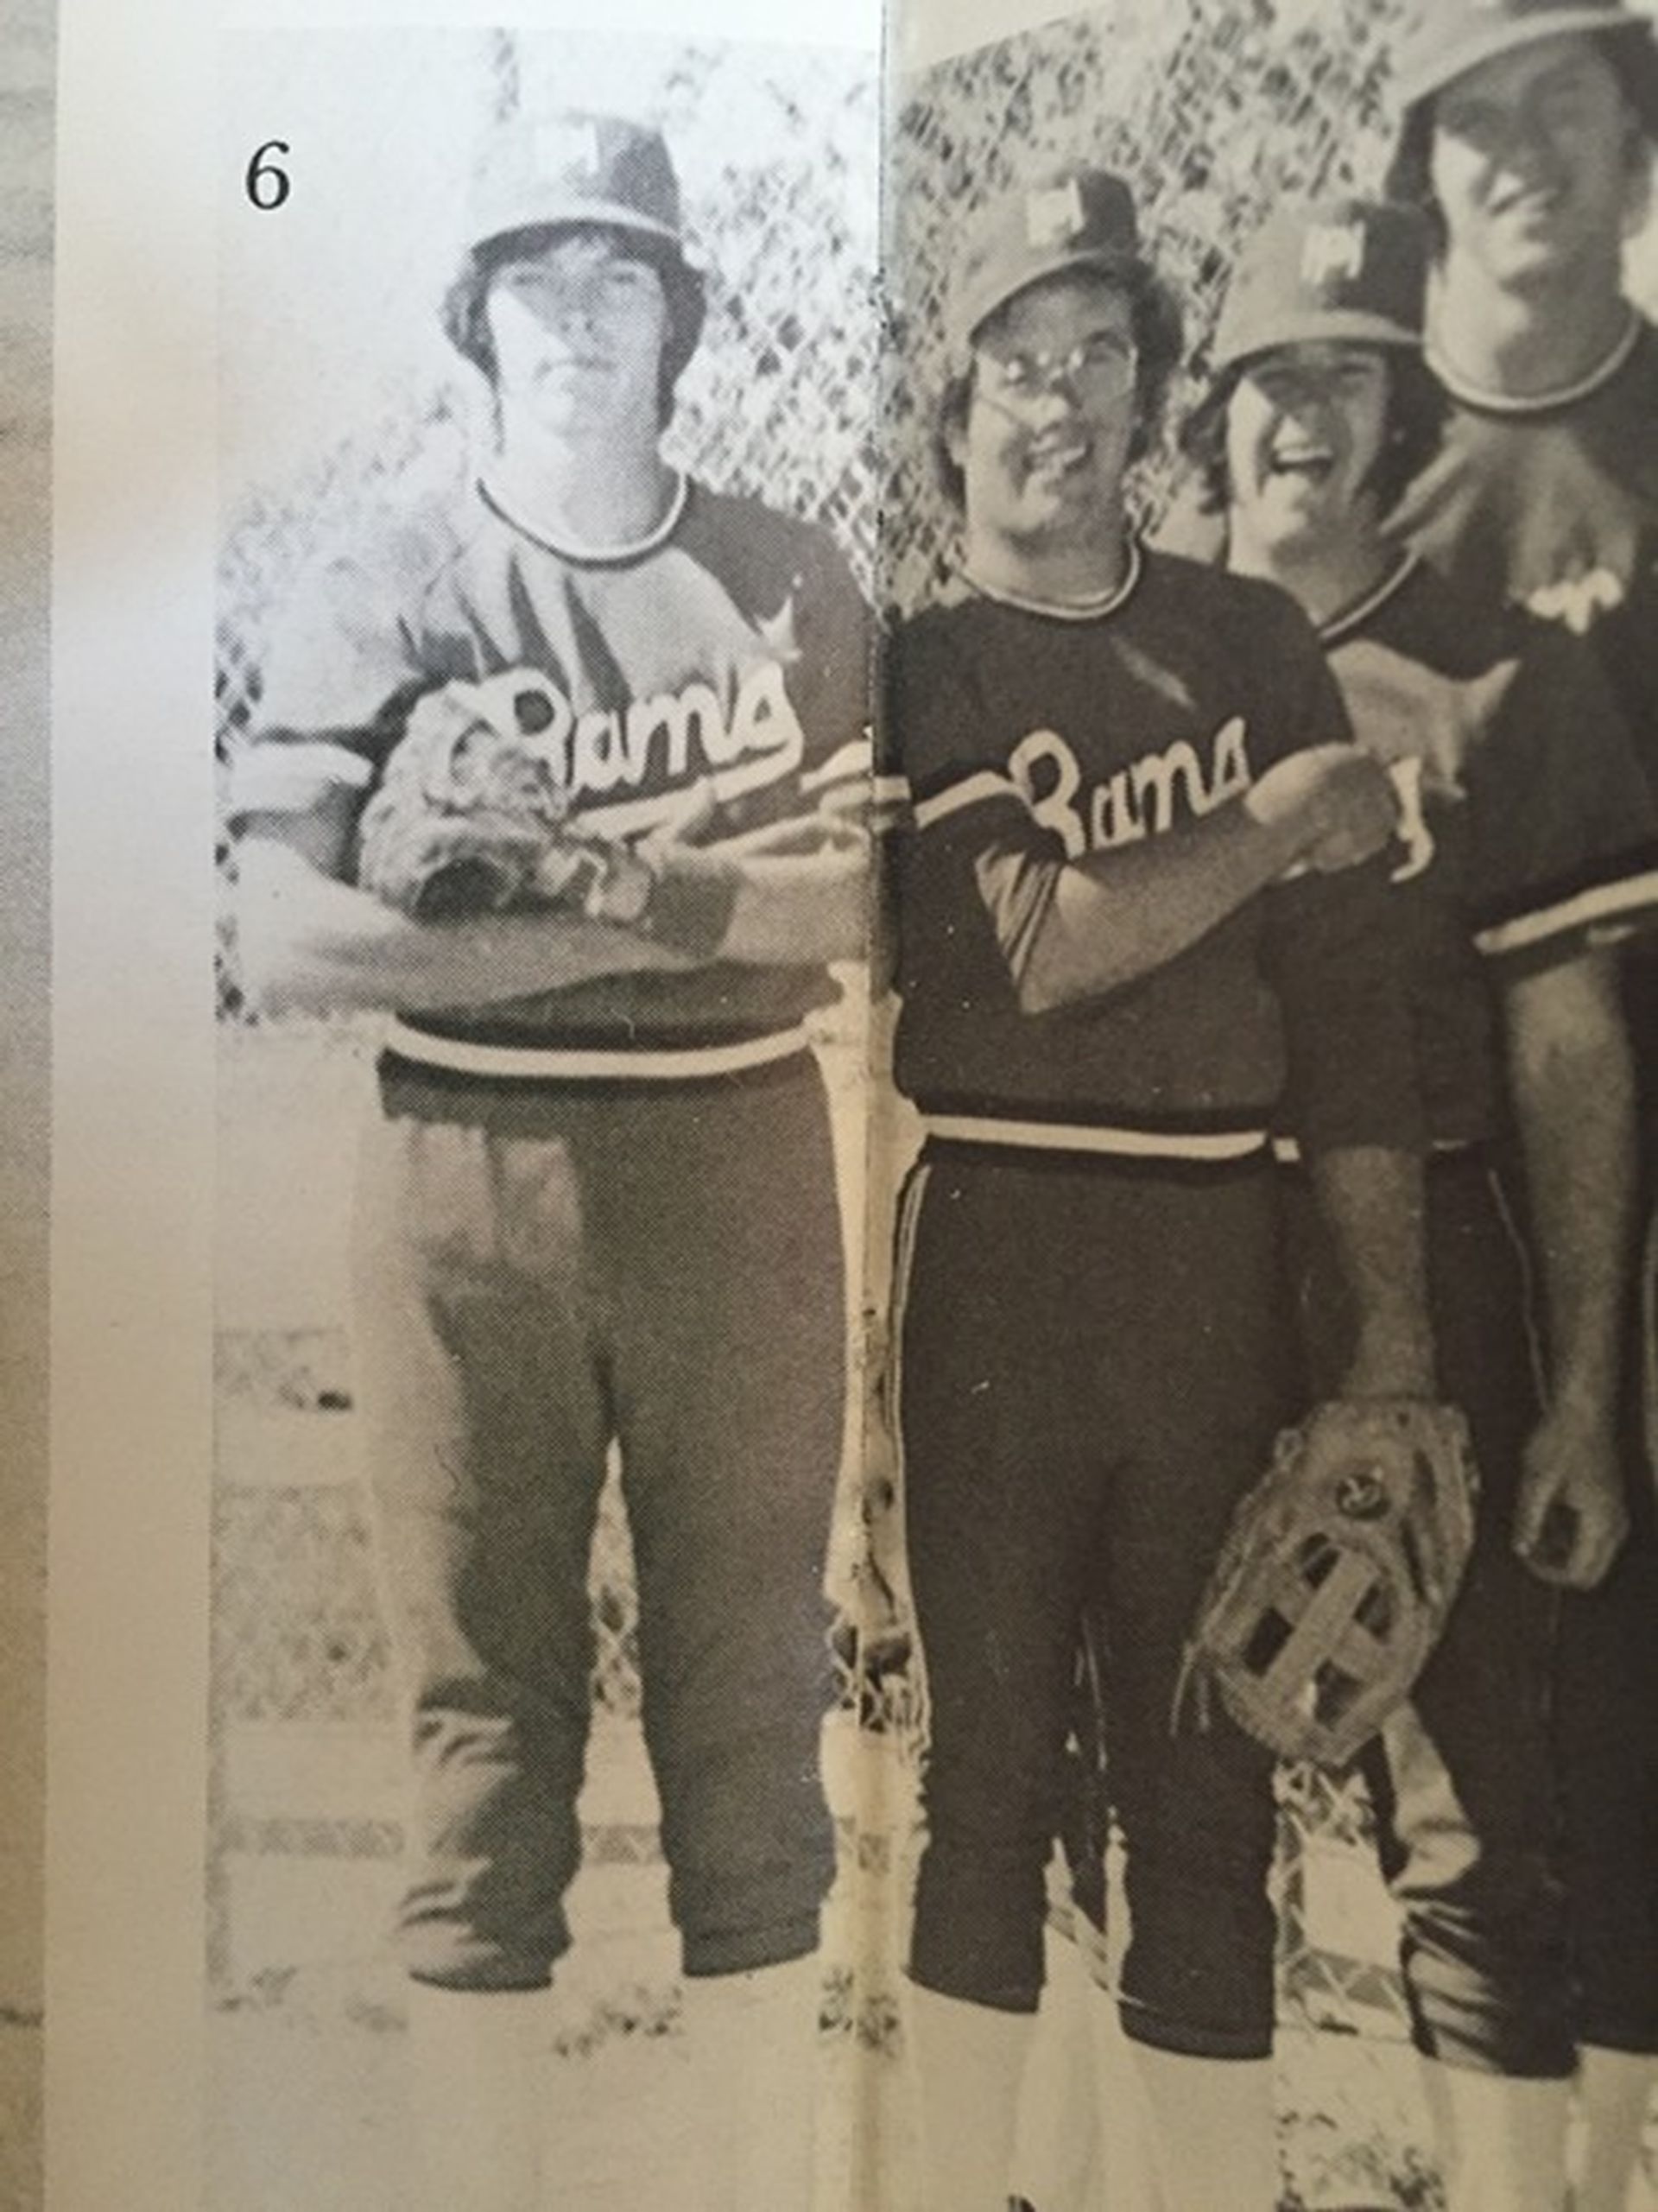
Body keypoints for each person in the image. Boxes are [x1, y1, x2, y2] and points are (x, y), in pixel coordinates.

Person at [228, 111, 871, 2212]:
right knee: (480, 1733)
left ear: (680, 316)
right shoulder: (389, 572)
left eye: (619, 279)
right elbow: (291, 934)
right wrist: (657, 895)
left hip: (738, 1171)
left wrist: (549, 899)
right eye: (535, 279)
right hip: (460, 1177)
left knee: (749, 1725)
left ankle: (756, 2181)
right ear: (475, 320)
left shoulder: (785, 570)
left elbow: (844, 905)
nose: (577, 319)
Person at [884, 165, 1435, 2212]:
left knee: (1208, 1797)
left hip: (1215, 1254)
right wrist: (1281, 811)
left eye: (1100, 354)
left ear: (1150, 392)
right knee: (988, 1784)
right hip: (1004, 1256)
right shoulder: (927, 656)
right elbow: (1028, 961)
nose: (1060, 401)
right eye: (1018, 360)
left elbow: (1354, 1025)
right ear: (960, 405)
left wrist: (1385, 1341)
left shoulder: (1250, 637)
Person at [1167, 193, 1656, 2212]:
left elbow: (1570, 1052)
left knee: (1470, 1808)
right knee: (1173, 1778)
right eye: (1276, 380)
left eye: (1351, 384)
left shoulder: (1495, 683)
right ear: (1218, 410)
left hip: (1434, 1253)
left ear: (1400, 415)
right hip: (1167, 1233)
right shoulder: (1130, 647)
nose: (1308, 422)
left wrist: (1577, 1396)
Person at [1385, 9, 1658, 2201]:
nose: (1530, 156)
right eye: (1483, 116)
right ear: (1426, 166)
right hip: (1467, 1143)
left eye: (1574, 101)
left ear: (1639, 142)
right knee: (1513, 1669)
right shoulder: (1350, 445)